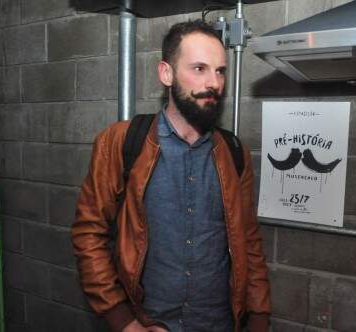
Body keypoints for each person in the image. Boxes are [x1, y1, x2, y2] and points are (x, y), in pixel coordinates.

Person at [71, 20, 271, 332]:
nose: (214, 82)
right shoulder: (122, 142)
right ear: (166, 73)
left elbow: (248, 240)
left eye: (220, 71)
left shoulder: (234, 153)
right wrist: (123, 321)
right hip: (147, 322)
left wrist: (259, 319)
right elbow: (88, 234)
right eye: (199, 68)